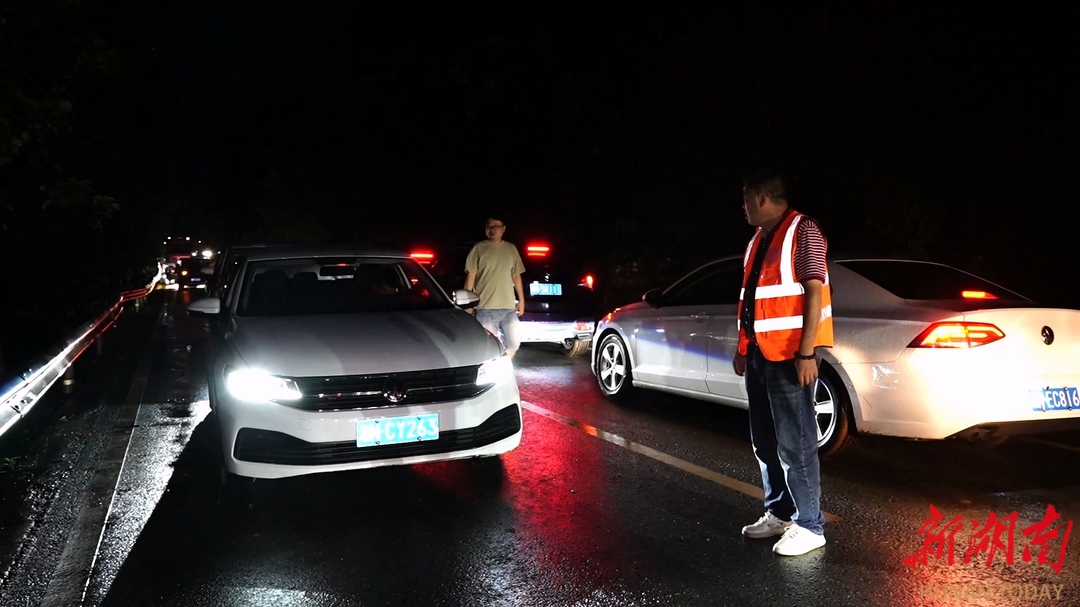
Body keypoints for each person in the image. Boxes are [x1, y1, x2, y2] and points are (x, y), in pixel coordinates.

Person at [732, 167, 834, 557]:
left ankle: (809, 525)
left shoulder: (802, 230)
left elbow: (813, 291)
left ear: (760, 197)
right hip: (761, 353)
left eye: (745, 199)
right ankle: (779, 512)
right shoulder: (758, 240)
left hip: (791, 356)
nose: (742, 207)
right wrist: (743, 348)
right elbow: (751, 301)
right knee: (766, 441)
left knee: (797, 442)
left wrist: (807, 352)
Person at [464, 215, 527, 358]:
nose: (492, 230)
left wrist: (521, 300)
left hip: (508, 308)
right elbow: (471, 275)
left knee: (514, 344)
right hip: (485, 308)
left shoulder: (510, 249)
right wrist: (468, 302)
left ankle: (503, 367)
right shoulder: (479, 248)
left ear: (503, 229)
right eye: (489, 227)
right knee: (487, 346)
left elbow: (516, 275)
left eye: (495, 227)